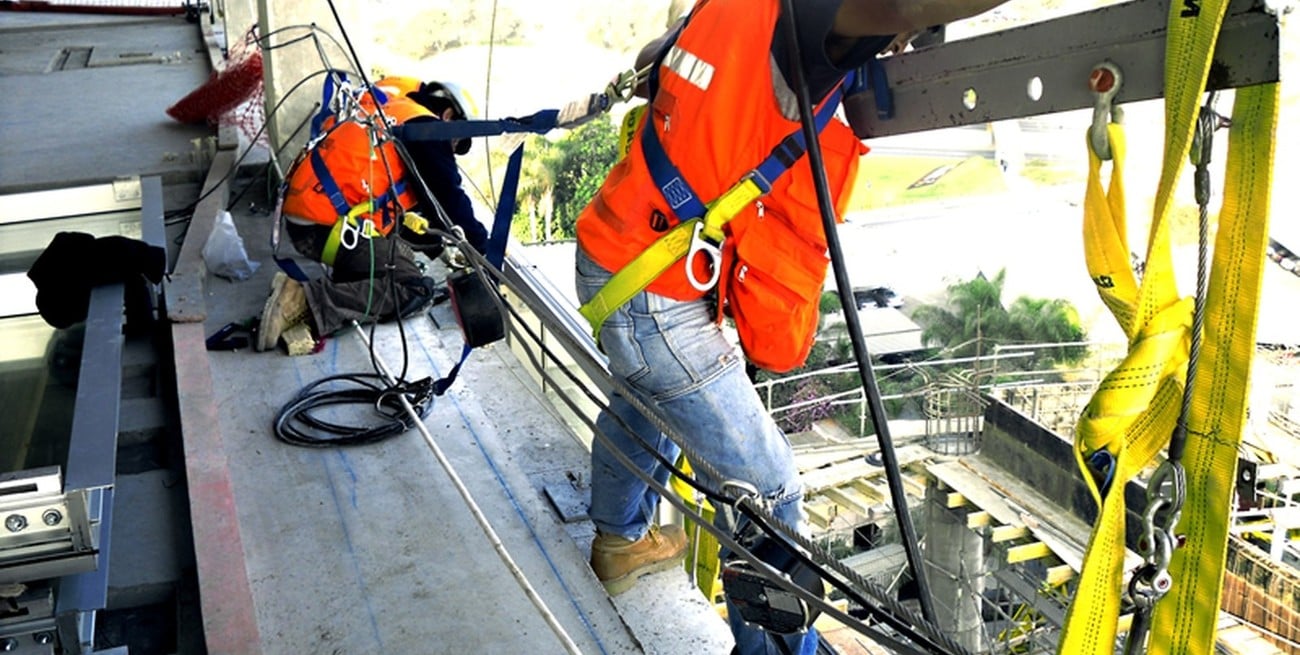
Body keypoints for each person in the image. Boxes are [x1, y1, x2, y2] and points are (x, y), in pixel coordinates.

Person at [573, 1, 1009, 654]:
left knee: (646, 404)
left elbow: (651, 61)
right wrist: (904, 22)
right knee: (768, 493)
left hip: (620, 258)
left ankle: (619, 539)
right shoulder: (808, 14)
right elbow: (902, 4)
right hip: (655, 297)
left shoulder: (725, 10)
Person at [257, 76, 489, 352]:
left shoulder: (394, 111)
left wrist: (438, 249)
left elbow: (405, 209)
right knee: (414, 288)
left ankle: (320, 290)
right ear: (449, 117)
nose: (449, 153)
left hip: (310, 219)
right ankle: (304, 299)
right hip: (327, 228)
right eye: (454, 145)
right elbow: (448, 198)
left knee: (398, 255)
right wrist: (484, 250)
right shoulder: (428, 129)